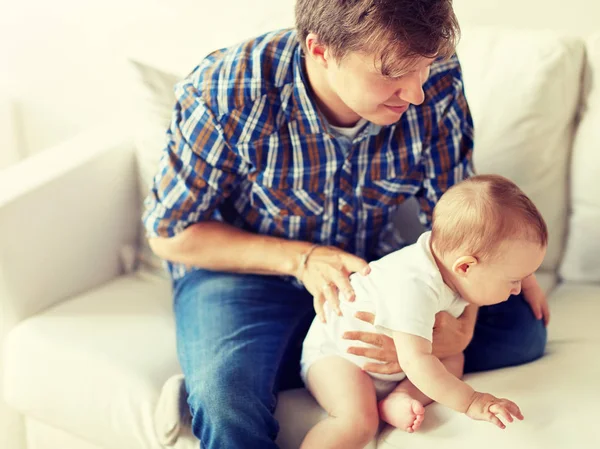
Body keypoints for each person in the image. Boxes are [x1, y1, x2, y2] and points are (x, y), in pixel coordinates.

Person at [142, 1, 548, 448]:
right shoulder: (227, 90)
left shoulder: (438, 77)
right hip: (247, 275)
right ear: (320, 51)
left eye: (423, 69)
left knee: (523, 331)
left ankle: (277, 367)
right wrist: (301, 259)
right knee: (226, 403)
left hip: (371, 272)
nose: (416, 94)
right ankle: (216, 383)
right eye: (392, 72)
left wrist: (459, 323)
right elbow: (169, 233)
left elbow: (460, 228)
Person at [299, 174, 548, 448]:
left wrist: (529, 282)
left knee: (454, 360)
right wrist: (473, 402)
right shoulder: (414, 286)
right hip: (339, 357)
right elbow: (416, 362)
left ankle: (400, 397)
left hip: (396, 362)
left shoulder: (451, 257)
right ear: (465, 267)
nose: (516, 290)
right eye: (515, 280)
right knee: (358, 420)